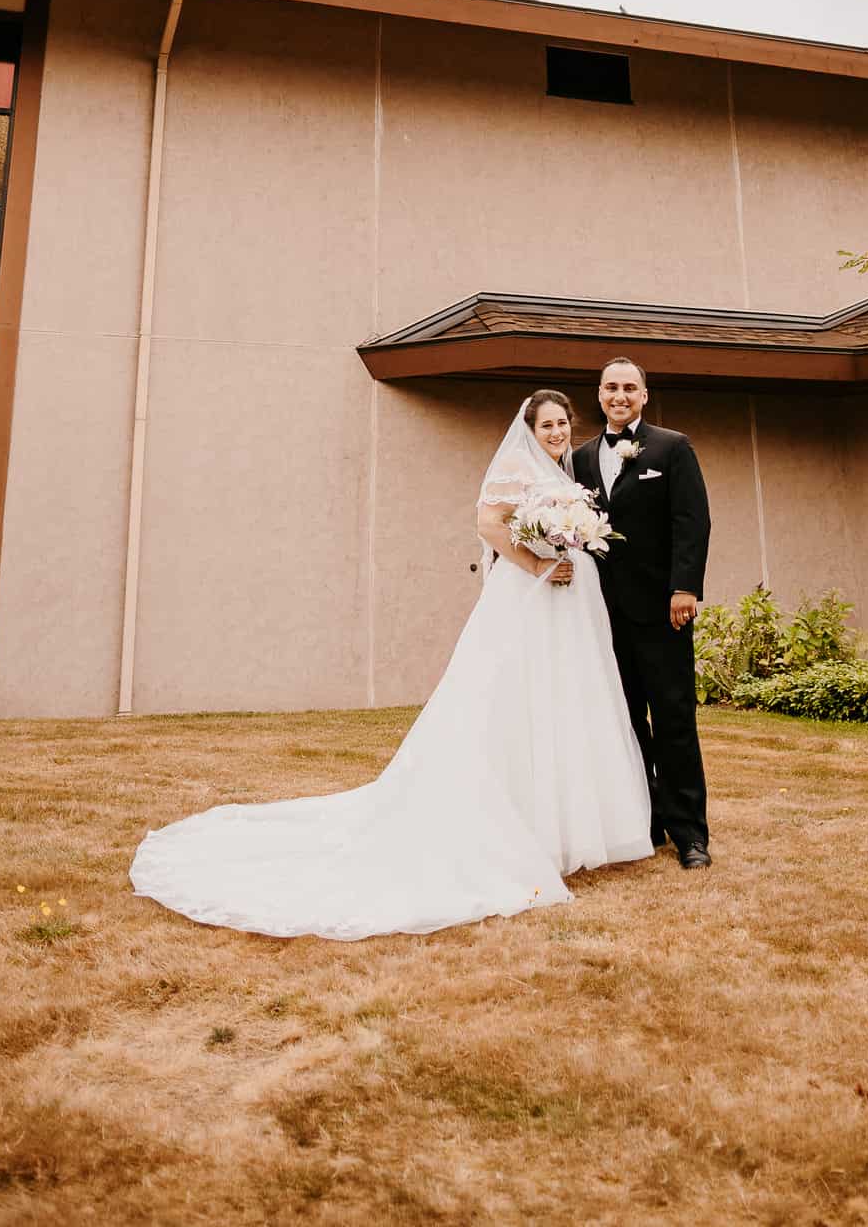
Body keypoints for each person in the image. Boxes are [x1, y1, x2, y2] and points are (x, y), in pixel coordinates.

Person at [130, 390, 653, 940]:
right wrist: (535, 563)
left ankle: (570, 829)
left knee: (565, 701)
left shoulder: (564, 474)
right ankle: (522, 824)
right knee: (513, 700)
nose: (556, 432)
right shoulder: (518, 470)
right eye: (547, 424)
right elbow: (488, 522)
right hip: (529, 601)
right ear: (530, 429)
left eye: (562, 424)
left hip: (567, 608)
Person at [572, 358, 712, 868]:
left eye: (630, 388)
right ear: (599, 393)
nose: (620, 396)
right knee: (625, 720)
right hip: (602, 615)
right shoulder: (582, 458)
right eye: (611, 387)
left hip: (662, 610)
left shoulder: (672, 447)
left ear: (644, 396)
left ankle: (691, 834)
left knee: (674, 718)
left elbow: (692, 522)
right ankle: (644, 822)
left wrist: (684, 589)